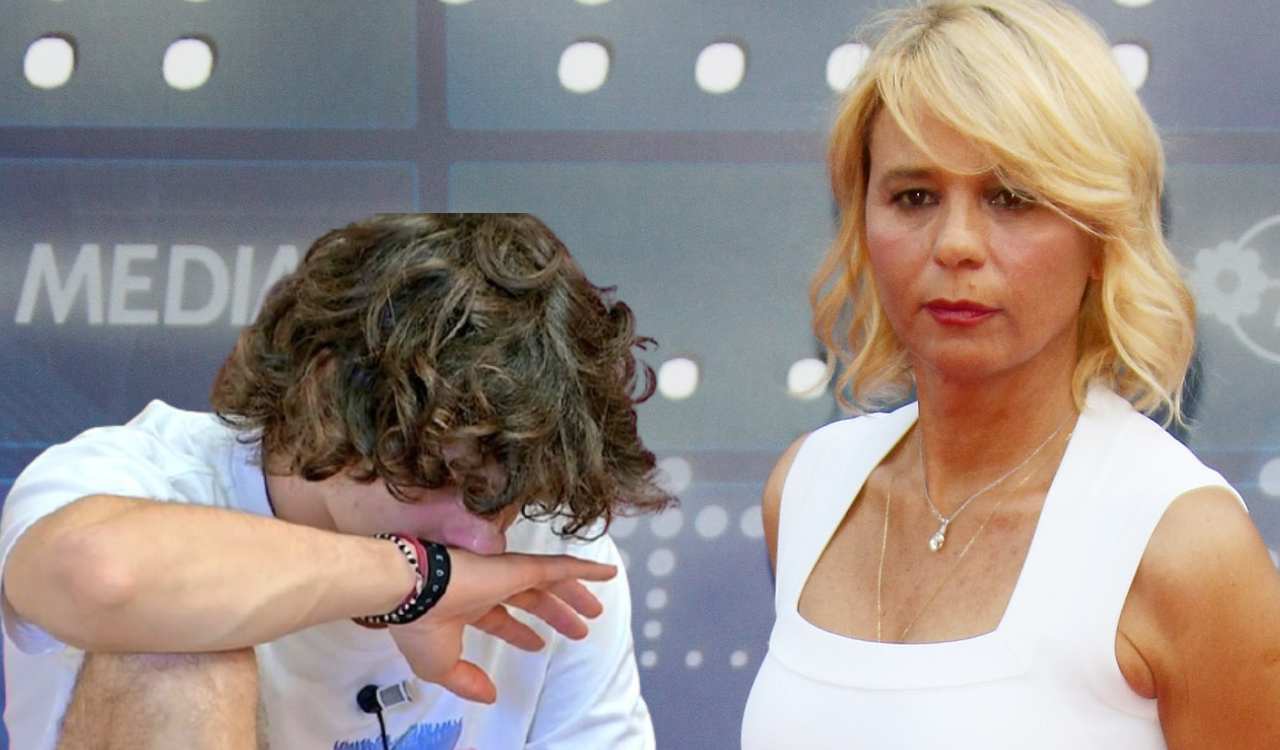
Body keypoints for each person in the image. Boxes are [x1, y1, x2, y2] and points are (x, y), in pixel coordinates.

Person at [742, 1, 1280, 747]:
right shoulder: (808, 490)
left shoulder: (1184, 545)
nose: (956, 244)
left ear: (1103, 235)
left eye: (1012, 197)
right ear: (861, 220)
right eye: (915, 196)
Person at [1, 213, 672, 749]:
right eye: (444, 476)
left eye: (505, 496)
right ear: (328, 395)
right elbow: (102, 575)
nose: (482, 541)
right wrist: (414, 580)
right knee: (177, 650)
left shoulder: (548, 559)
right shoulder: (143, 482)